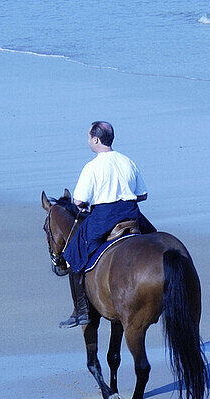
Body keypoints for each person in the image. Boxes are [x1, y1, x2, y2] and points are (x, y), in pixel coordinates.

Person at [60, 121, 155, 327]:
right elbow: (143, 194)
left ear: (95, 139)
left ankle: (81, 311)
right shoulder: (128, 161)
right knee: (155, 240)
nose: (88, 141)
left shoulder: (92, 166)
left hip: (104, 216)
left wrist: (87, 204)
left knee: (72, 255)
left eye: (88, 137)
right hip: (132, 213)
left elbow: (78, 201)